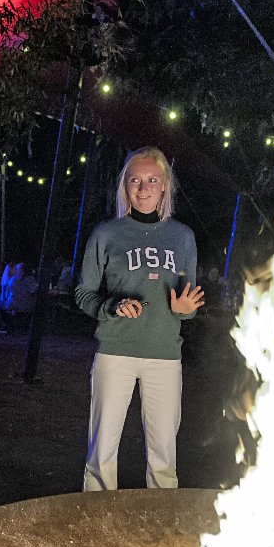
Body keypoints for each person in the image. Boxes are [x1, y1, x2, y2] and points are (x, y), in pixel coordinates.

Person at [74, 146, 204, 491]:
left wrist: (185, 310)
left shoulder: (183, 237)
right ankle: (96, 522)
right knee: (101, 451)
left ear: (164, 187)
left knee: (163, 455)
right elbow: (83, 294)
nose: (143, 188)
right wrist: (112, 306)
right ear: (124, 187)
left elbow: (187, 303)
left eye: (151, 180)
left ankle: (160, 527)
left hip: (164, 355)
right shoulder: (106, 234)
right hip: (115, 352)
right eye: (135, 180)